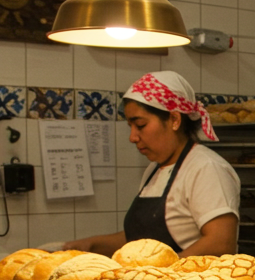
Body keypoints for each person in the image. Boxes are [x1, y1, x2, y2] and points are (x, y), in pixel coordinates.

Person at [64, 71, 239, 257]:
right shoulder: (154, 170)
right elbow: (143, 241)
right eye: (130, 127)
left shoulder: (205, 168)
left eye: (140, 125)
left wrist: (159, 272)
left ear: (174, 120)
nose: (132, 137)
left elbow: (221, 243)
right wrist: (91, 245)